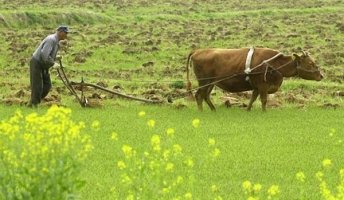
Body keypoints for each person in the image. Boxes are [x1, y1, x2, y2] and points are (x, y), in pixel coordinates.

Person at [28, 25, 69, 107]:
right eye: (65, 33)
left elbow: (47, 54)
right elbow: (44, 54)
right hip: (37, 63)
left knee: (47, 85)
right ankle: (33, 104)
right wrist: (53, 63)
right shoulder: (51, 40)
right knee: (37, 85)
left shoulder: (56, 41)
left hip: (44, 64)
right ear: (60, 32)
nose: (66, 35)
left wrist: (55, 57)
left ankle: (35, 101)